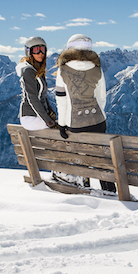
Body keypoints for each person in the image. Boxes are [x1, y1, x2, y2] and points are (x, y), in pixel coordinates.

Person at [54, 34, 116, 193]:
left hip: (75, 123)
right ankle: (110, 190)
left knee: (81, 157)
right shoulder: (97, 69)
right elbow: (101, 98)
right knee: (101, 159)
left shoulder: (62, 71)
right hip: (97, 121)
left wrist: (62, 124)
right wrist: (101, 119)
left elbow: (62, 101)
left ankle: (84, 186)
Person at [16, 36, 56, 131]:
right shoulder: (28, 71)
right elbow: (32, 98)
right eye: (36, 50)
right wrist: (47, 120)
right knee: (63, 129)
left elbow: (43, 96)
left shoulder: (38, 70)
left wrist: (50, 112)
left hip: (38, 117)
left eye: (42, 50)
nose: (40, 53)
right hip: (30, 117)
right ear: (29, 52)